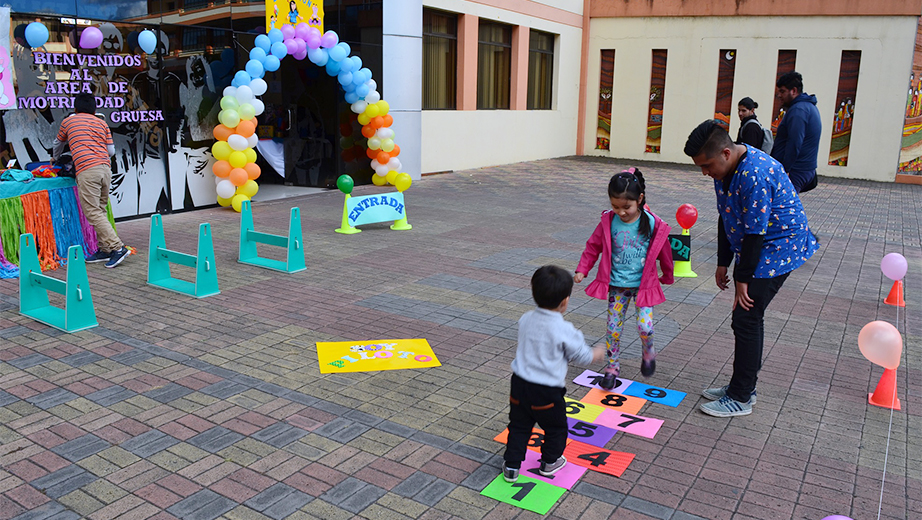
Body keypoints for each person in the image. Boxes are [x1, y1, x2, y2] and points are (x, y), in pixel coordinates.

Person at [683, 120, 818, 417]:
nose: (705, 173)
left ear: (726, 153)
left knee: (746, 318)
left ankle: (742, 396)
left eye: (707, 165)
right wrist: (723, 261)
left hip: (779, 246)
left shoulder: (754, 174)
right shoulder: (726, 170)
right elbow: (726, 215)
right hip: (759, 244)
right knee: (746, 319)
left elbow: (755, 233)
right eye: (701, 167)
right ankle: (741, 387)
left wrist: (743, 279)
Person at [502, 265, 605, 483]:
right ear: (565, 301)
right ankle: (550, 462)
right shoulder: (565, 329)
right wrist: (596, 353)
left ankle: (511, 466)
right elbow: (583, 356)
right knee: (556, 427)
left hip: (519, 384)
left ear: (534, 293)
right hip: (547, 391)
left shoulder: (526, 318)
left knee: (519, 426)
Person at [574, 169, 674, 389]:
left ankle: (648, 352)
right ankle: (611, 367)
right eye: (615, 206)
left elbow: (664, 250)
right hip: (617, 286)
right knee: (613, 329)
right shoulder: (608, 222)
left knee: (645, 327)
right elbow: (593, 246)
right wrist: (583, 269)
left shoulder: (652, 223)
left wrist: (667, 274)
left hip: (644, 286)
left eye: (626, 207)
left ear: (639, 200)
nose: (621, 212)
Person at [53, 93, 130, 268]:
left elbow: (58, 143)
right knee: (100, 210)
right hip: (105, 169)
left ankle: (118, 248)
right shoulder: (102, 123)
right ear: (94, 109)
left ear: (75, 108)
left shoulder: (69, 121)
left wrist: (54, 158)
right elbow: (111, 151)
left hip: (87, 170)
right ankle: (105, 249)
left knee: (92, 212)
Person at [770, 71, 821, 192]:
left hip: (796, 171)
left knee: (784, 208)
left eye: (782, 91)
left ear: (793, 91)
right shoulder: (807, 107)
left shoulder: (798, 110)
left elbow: (794, 142)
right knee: (784, 207)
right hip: (802, 169)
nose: (779, 95)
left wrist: (785, 169)